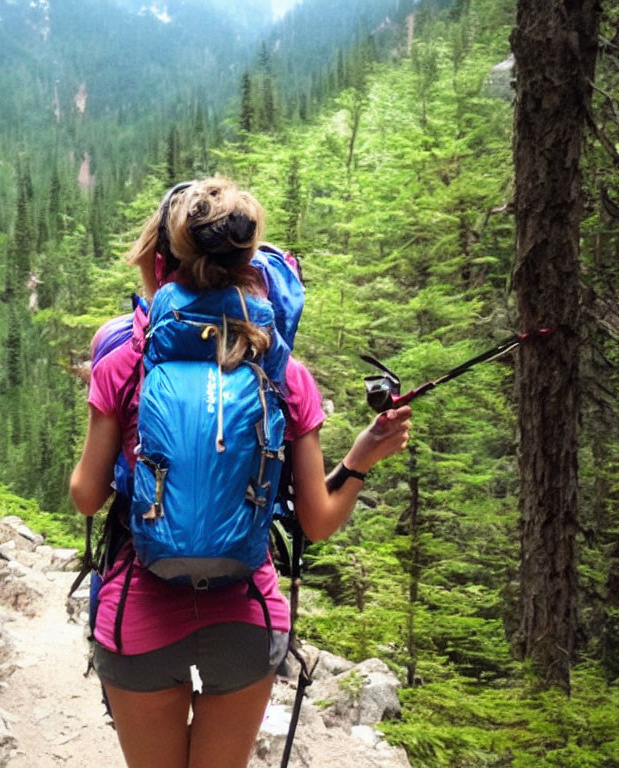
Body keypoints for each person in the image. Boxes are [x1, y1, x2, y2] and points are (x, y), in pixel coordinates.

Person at [70, 176, 412, 768]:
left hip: (138, 614)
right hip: (247, 617)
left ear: (162, 259)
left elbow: (85, 497)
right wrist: (359, 459)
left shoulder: (125, 358)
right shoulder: (284, 370)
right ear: (250, 263)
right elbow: (319, 521)